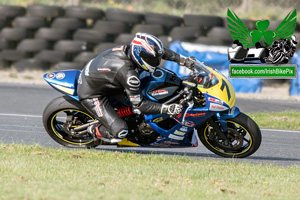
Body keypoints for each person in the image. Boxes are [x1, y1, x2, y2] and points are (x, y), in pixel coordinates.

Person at [77, 32, 196, 143]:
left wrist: (184, 60)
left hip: (106, 79)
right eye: (152, 59)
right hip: (93, 93)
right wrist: (167, 109)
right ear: (141, 55)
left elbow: (161, 51)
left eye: (156, 58)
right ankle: (93, 129)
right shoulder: (129, 75)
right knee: (120, 131)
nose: (156, 61)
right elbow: (139, 105)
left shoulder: (134, 50)